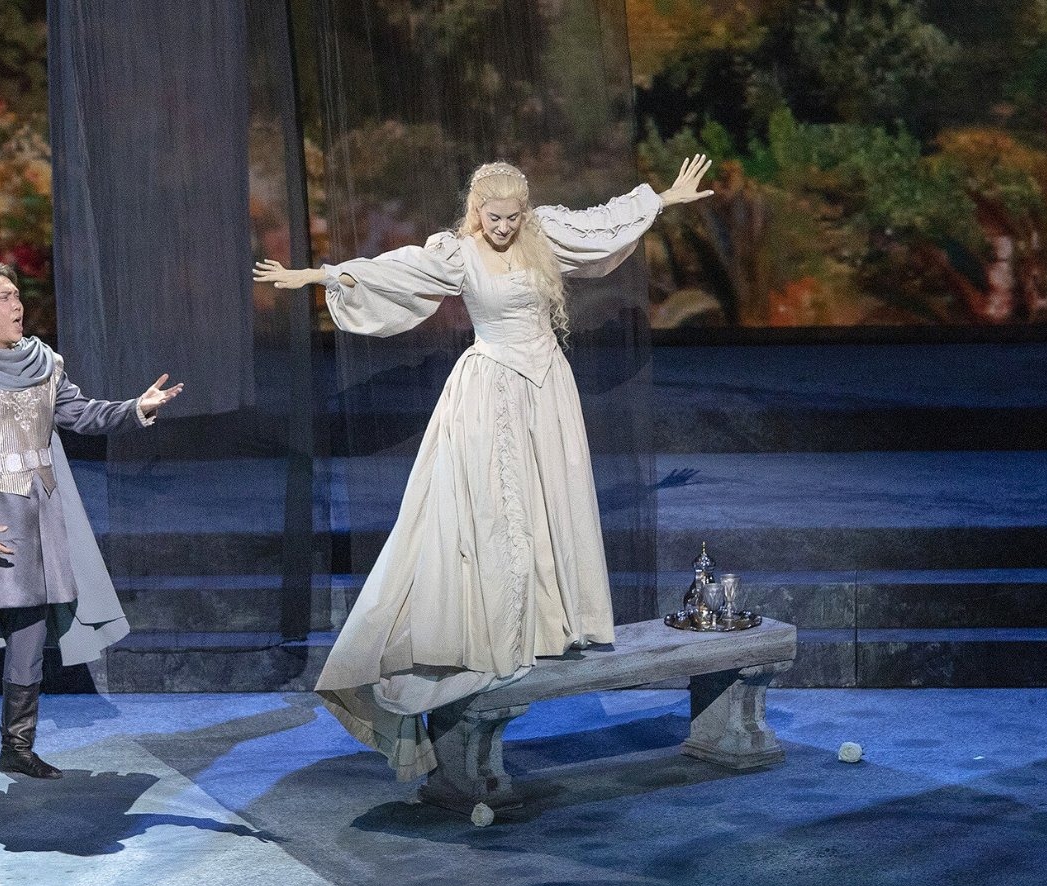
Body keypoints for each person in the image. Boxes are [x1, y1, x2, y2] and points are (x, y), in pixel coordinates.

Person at [254, 156, 713, 779]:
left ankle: (551, 624)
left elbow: (601, 224)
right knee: (496, 508)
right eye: (494, 218)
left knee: (550, 499)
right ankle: (493, 628)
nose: (503, 227)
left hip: (547, 387)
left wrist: (662, 199)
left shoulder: (544, 235)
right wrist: (317, 274)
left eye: (512, 217)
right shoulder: (459, 253)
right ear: (477, 211)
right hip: (491, 388)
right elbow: (394, 270)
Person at [0, 261, 184, 789]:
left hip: (38, 522)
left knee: (29, 641)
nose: (17, 305)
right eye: (3, 297)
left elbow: (80, 414)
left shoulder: (43, 363)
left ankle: (18, 749)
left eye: (17, 295)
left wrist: (134, 408)